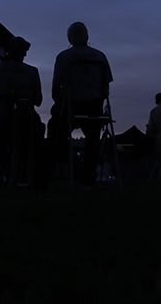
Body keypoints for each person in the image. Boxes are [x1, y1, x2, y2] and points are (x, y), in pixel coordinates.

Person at [37, 22, 113, 188]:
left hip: (71, 107)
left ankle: (43, 178)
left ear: (69, 38)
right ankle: (88, 179)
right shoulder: (101, 56)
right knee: (92, 141)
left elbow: (56, 86)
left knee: (53, 136)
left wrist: (59, 103)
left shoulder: (64, 56)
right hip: (94, 109)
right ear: (87, 36)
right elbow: (105, 88)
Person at [0, 36, 42, 187]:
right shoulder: (32, 71)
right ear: (24, 53)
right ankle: (28, 181)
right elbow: (38, 100)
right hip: (26, 120)